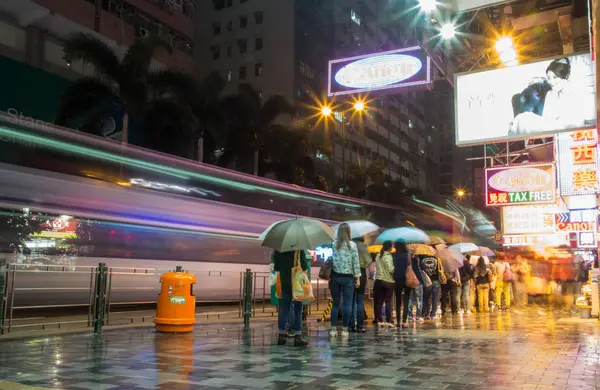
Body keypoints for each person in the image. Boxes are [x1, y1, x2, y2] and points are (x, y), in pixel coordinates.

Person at [329, 223, 361, 338]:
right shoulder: (352, 245)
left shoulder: (334, 245)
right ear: (348, 232)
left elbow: (332, 260)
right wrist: (357, 278)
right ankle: (345, 330)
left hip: (335, 277)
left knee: (336, 304)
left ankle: (333, 330)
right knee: (347, 304)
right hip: (348, 279)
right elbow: (356, 262)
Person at [274, 250, 309, 347]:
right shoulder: (299, 248)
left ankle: (281, 336)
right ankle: (298, 336)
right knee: (298, 309)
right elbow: (304, 266)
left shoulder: (279, 248)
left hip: (285, 282)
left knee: (284, 309)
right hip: (296, 282)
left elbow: (277, 267)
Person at [349, 237, 371, 333]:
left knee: (351, 301)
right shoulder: (363, 247)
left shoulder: (349, 245)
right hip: (361, 273)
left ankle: (351, 326)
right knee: (360, 300)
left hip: (350, 274)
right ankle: (360, 326)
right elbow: (369, 261)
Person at [373, 241, 395, 327]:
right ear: (389, 247)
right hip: (388, 281)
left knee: (379, 301)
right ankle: (389, 319)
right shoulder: (388, 257)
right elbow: (391, 269)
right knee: (388, 301)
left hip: (378, 280)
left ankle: (379, 319)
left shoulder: (378, 256)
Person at [393, 241, 412, 328]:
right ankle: (404, 321)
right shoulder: (407, 255)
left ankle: (398, 321)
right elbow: (409, 266)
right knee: (406, 300)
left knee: (398, 301)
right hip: (407, 279)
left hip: (397, 279)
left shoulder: (393, 255)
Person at [421, 255, 442, 320]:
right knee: (435, 298)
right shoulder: (437, 259)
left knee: (425, 298)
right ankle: (433, 314)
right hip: (436, 281)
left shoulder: (423, 260)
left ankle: (424, 313)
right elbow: (440, 270)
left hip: (427, 282)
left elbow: (422, 271)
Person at [407, 254, 425, 322]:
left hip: (409, 281)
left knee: (410, 299)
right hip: (418, 281)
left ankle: (410, 316)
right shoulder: (418, 259)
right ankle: (418, 316)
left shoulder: (406, 260)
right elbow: (423, 268)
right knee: (419, 299)